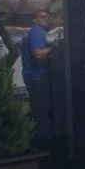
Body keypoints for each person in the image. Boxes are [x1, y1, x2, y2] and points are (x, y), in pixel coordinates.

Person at [21, 9, 56, 142]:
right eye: (42, 17)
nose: (46, 19)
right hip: (36, 77)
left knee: (39, 109)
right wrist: (55, 48)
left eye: (47, 17)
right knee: (41, 110)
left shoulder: (41, 33)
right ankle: (40, 141)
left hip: (37, 76)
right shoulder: (34, 32)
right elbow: (38, 53)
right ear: (34, 20)